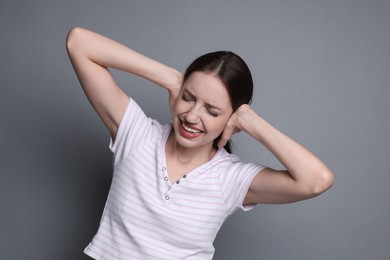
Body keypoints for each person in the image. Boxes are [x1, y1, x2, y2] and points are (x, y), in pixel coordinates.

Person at [66, 27, 334, 259]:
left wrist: (251, 122)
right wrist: (169, 77)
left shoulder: (229, 178)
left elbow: (317, 180)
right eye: (188, 97)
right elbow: (79, 42)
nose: (192, 116)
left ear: (231, 118)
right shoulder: (137, 135)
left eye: (212, 111)